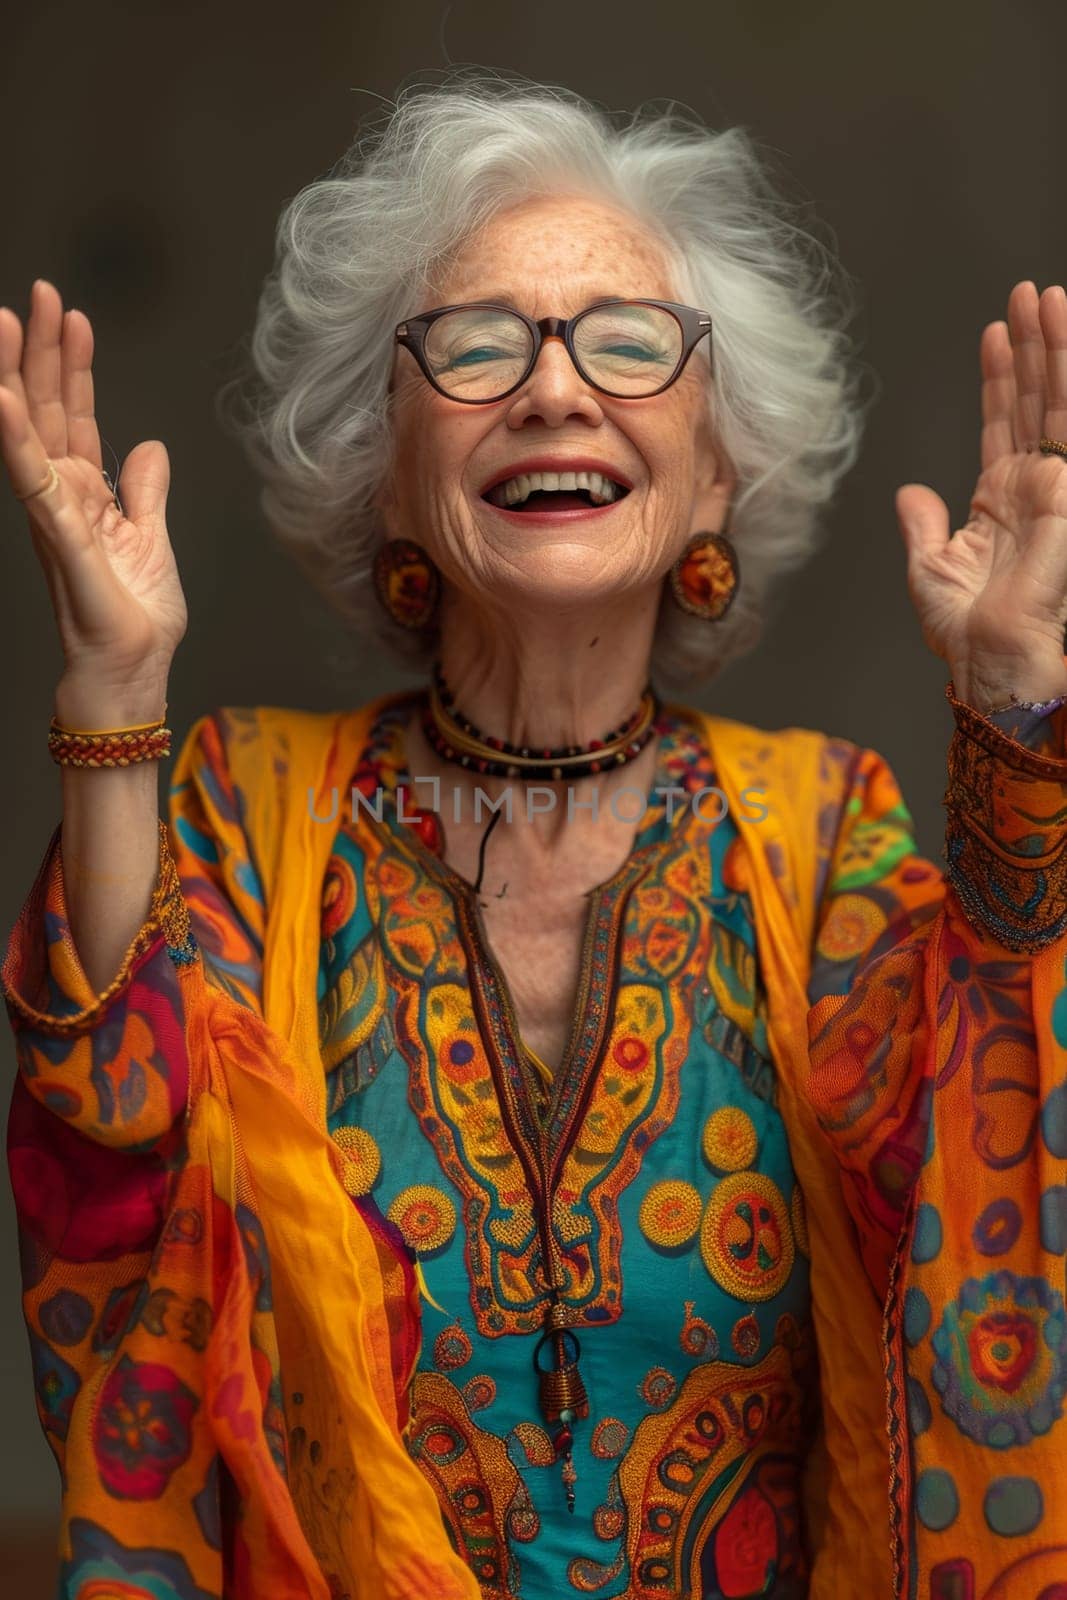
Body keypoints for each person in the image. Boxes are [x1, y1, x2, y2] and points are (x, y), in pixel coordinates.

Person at [4, 74, 1067, 1600]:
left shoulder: (824, 827)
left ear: (717, 471)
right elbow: (108, 1165)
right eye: (479, 344)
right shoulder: (245, 806)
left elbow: (997, 1161)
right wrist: (112, 698)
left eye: (630, 344)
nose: (555, 390)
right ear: (390, 467)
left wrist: (1017, 700)